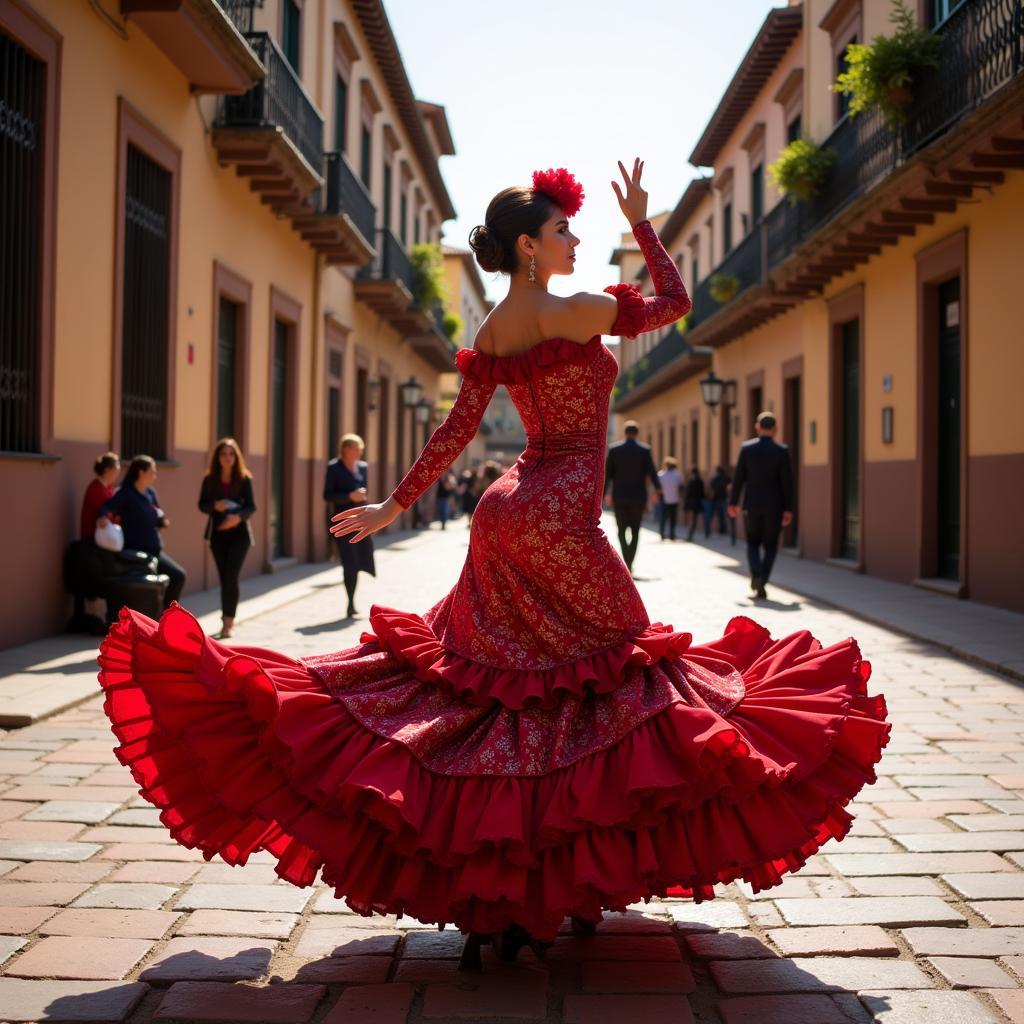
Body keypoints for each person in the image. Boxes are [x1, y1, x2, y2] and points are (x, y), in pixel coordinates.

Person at [98, 160, 888, 971]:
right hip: (561, 514)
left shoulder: (491, 335)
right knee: (626, 685)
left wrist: (389, 509)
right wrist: (645, 223)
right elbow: (675, 304)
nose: (574, 238)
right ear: (528, 245)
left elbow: (449, 437)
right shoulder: (578, 310)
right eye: (562, 230)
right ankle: (558, 878)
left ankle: (515, 892)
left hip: (505, 513)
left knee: (500, 697)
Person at [97, 455, 185, 607]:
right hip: (137, 553)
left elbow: (158, 514)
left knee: (178, 576)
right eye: (152, 471)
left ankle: (167, 619)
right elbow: (107, 507)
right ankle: (160, 621)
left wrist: (162, 521)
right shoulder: (127, 493)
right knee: (164, 582)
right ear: (141, 473)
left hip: (155, 550)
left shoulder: (150, 493)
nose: (155, 475)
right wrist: (103, 517)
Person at [728, 411, 795, 600]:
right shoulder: (781, 451)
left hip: (751, 504)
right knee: (771, 545)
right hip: (775, 506)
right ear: (775, 429)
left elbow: (738, 478)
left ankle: (756, 574)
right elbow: (787, 483)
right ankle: (762, 580)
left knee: (752, 542)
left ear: (757, 427)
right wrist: (788, 508)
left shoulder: (747, 449)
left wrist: (733, 502)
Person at [198, 438, 256, 640]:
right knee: (224, 579)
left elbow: (251, 507)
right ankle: (226, 619)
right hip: (217, 535)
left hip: (240, 535)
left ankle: (228, 623)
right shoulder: (210, 479)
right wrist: (215, 506)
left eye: (231, 454)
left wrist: (237, 518)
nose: (227, 458)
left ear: (236, 457)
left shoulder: (244, 478)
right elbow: (202, 505)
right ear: (218, 457)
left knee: (231, 575)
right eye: (223, 454)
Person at [323, 433, 376, 618]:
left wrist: (361, 497)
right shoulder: (334, 467)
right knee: (349, 562)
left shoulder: (362, 467)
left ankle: (352, 601)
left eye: (361, 448)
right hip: (342, 521)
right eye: (357, 448)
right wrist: (348, 496)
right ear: (346, 449)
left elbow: (364, 490)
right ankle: (350, 603)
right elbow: (327, 495)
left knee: (360, 560)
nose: (360, 452)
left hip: (360, 521)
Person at [604, 420, 661, 572]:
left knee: (621, 530)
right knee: (636, 530)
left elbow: (607, 475)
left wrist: (603, 495)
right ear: (637, 433)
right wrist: (658, 490)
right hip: (638, 497)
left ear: (625, 433)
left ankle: (626, 561)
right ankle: (629, 561)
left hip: (619, 496)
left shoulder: (615, 450)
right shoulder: (644, 450)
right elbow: (652, 472)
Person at [81, 452, 121, 540]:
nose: (119, 470)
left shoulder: (109, 487)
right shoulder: (96, 489)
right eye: (117, 466)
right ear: (107, 470)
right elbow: (109, 515)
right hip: (95, 540)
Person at [656, 456, 682, 541]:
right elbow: (681, 487)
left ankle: (662, 533)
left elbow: (657, 488)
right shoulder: (678, 475)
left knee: (663, 517)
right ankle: (671, 534)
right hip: (674, 499)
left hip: (664, 498)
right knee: (672, 518)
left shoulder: (661, 475)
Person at [705, 464, 729, 538]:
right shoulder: (726, 478)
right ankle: (722, 530)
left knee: (710, 516)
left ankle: (708, 531)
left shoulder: (715, 478)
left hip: (714, 500)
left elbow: (710, 488)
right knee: (722, 516)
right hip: (722, 499)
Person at [683, 467, 705, 541]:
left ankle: (689, 535)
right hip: (697, 503)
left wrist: (685, 504)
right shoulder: (700, 481)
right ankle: (690, 535)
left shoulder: (691, 482)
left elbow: (687, 493)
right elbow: (702, 493)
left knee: (690, 520)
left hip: (691, 503)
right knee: (694, 520)